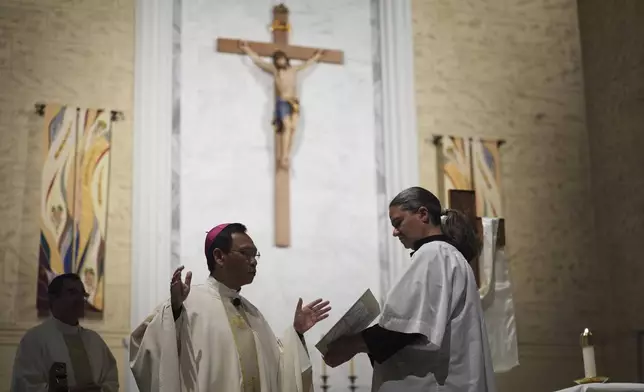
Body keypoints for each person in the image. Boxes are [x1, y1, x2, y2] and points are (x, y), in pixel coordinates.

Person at [323, 187, 497, 392]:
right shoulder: (449, 256)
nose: (395, 232)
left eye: (398, 222)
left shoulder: (433, 255)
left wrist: (349, 345)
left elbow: (405, 330)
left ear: (422, 214)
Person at [130, 223, 331, 392]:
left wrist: (297, 333)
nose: (253, 262)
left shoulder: (253, 314)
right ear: (219, 256)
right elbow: (146, 350)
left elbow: (280, 369)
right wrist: (173, 310)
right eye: (245, 253)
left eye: (255, 255)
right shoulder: (188, 305)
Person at [11, 273, 119, 392]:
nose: (79, 299)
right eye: (72, 293)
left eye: (82, 294)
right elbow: (26, 385)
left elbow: (111, 380)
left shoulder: (95, 340)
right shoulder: (34, 340)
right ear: (53, 298)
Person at [239, 41, 324, 169]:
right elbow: (259, 61)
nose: (280, 62)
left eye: (282, 59)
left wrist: (316, 57)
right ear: (275, 62)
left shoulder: (293, 69)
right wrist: (247, 50)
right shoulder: (275, 70)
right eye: (277, 60)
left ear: (285, 59)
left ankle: (287, 156)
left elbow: (307, 64)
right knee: (287, 127)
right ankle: (283, 156)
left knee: (293, 129)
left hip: (294, 103)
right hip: (283, 102)